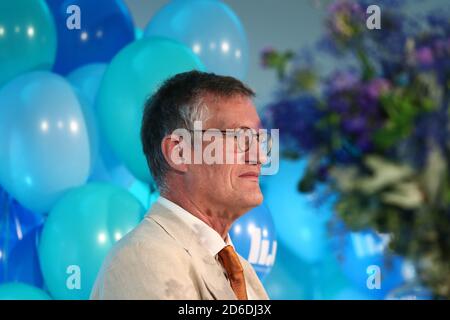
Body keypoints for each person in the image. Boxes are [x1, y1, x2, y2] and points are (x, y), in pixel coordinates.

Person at [91, 70, 271, 300]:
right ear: (179, 152)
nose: (260, 157)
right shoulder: (143, 258)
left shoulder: (243, 272)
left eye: (259, 139)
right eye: (241, 137)